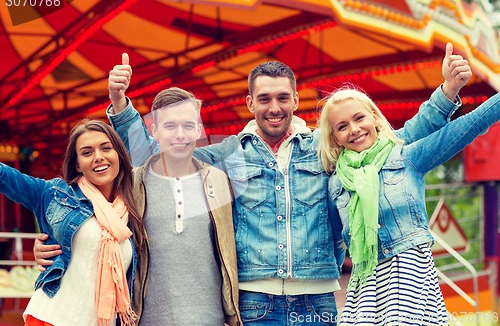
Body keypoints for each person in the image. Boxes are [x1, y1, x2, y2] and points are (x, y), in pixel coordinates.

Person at [36, 43, 470, 325]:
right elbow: (158, 152)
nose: (274, 107)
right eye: (264, 98)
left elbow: (400, 141)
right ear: (250, 103)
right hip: (255, 304)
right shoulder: (226, 154)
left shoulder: (327, 149)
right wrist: (121, 106)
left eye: (283, 97)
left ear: (297, 100)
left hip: (319, 301)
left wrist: (448, 92)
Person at [35, 54, 242, 326]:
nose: (179, 134)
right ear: (153, 131)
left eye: (188, 125)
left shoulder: (220, 181)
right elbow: (86, 219)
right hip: (143, 320)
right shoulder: (130, 184)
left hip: (211, 319)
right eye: (169, 126)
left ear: (200, 129)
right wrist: (52, 244)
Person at [318, 78, 499, 325]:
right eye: (342, 126)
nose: (354, 129)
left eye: (359, 118)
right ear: (336, 138)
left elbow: (470, 124)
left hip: (409, 272)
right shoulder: (336, 183)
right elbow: (337, 242)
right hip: (365, 282)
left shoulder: (407, 157)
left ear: (374, 118)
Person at [1, 119, 144, 326]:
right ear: (77, 164)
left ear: (119, 155)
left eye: (106, 148)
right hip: (54, 317)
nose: (98, 157)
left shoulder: (135, 208)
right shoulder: (54, 194)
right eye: (87, 152)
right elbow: (5, 177)